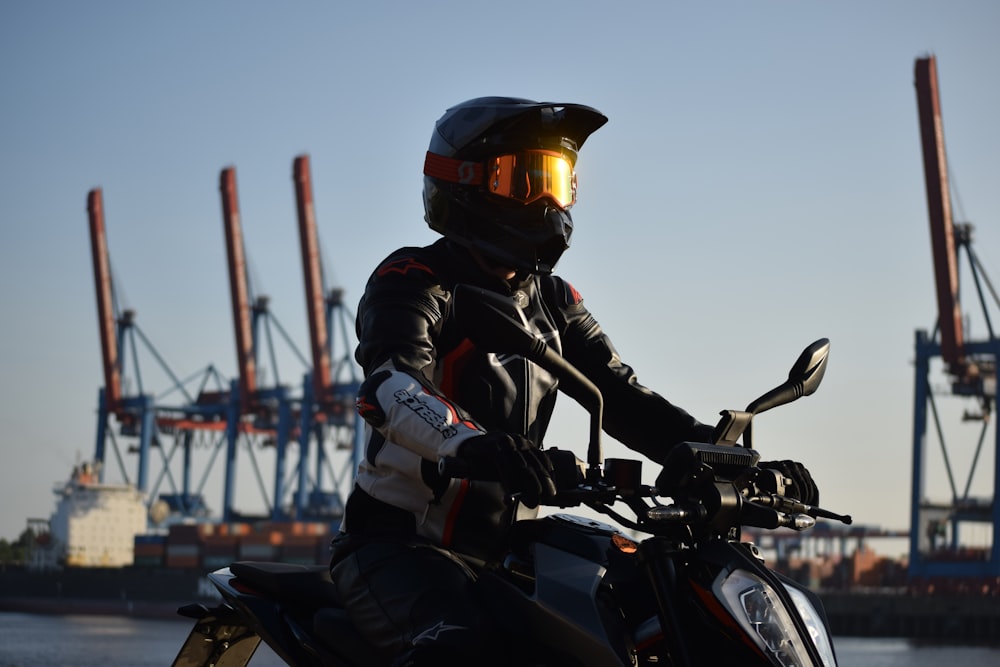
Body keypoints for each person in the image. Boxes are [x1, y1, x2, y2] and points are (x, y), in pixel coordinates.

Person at [330, 97, 818, 667]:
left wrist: (726, 457)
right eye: (523, 180)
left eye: (558, 182)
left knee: (645, 614)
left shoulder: (554, 301)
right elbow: (392, 384)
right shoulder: (413, 280)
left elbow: (622, 395)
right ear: (464, 185)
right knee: (461, 650)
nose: (545, 201)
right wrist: (472, 444)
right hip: (398, 546)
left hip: (512, 550)